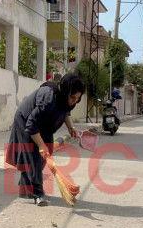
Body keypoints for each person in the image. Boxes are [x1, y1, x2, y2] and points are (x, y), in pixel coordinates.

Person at [6, 73, 85, 206]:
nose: (75, 101)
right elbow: (31, 124)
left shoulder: (66, 99)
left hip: (44, 125)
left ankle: (26, 189)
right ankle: (38, 194)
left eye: (78, 98)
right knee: (33, 157)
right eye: (73, 97)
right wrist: (41, 145)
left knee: (46, 153)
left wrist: (71, 128)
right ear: (65, 92)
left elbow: (66, 111)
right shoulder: (48, 98)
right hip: (25, 121)